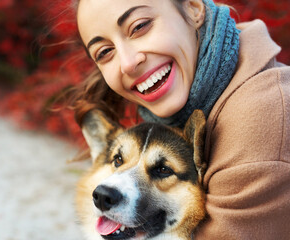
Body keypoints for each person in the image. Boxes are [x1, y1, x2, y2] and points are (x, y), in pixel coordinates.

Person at [67, 0, 290, 239]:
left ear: (193, 8)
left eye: (139, 26)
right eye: (104, 52)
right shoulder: (189, 98)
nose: (128, 63)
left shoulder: (261, 115)